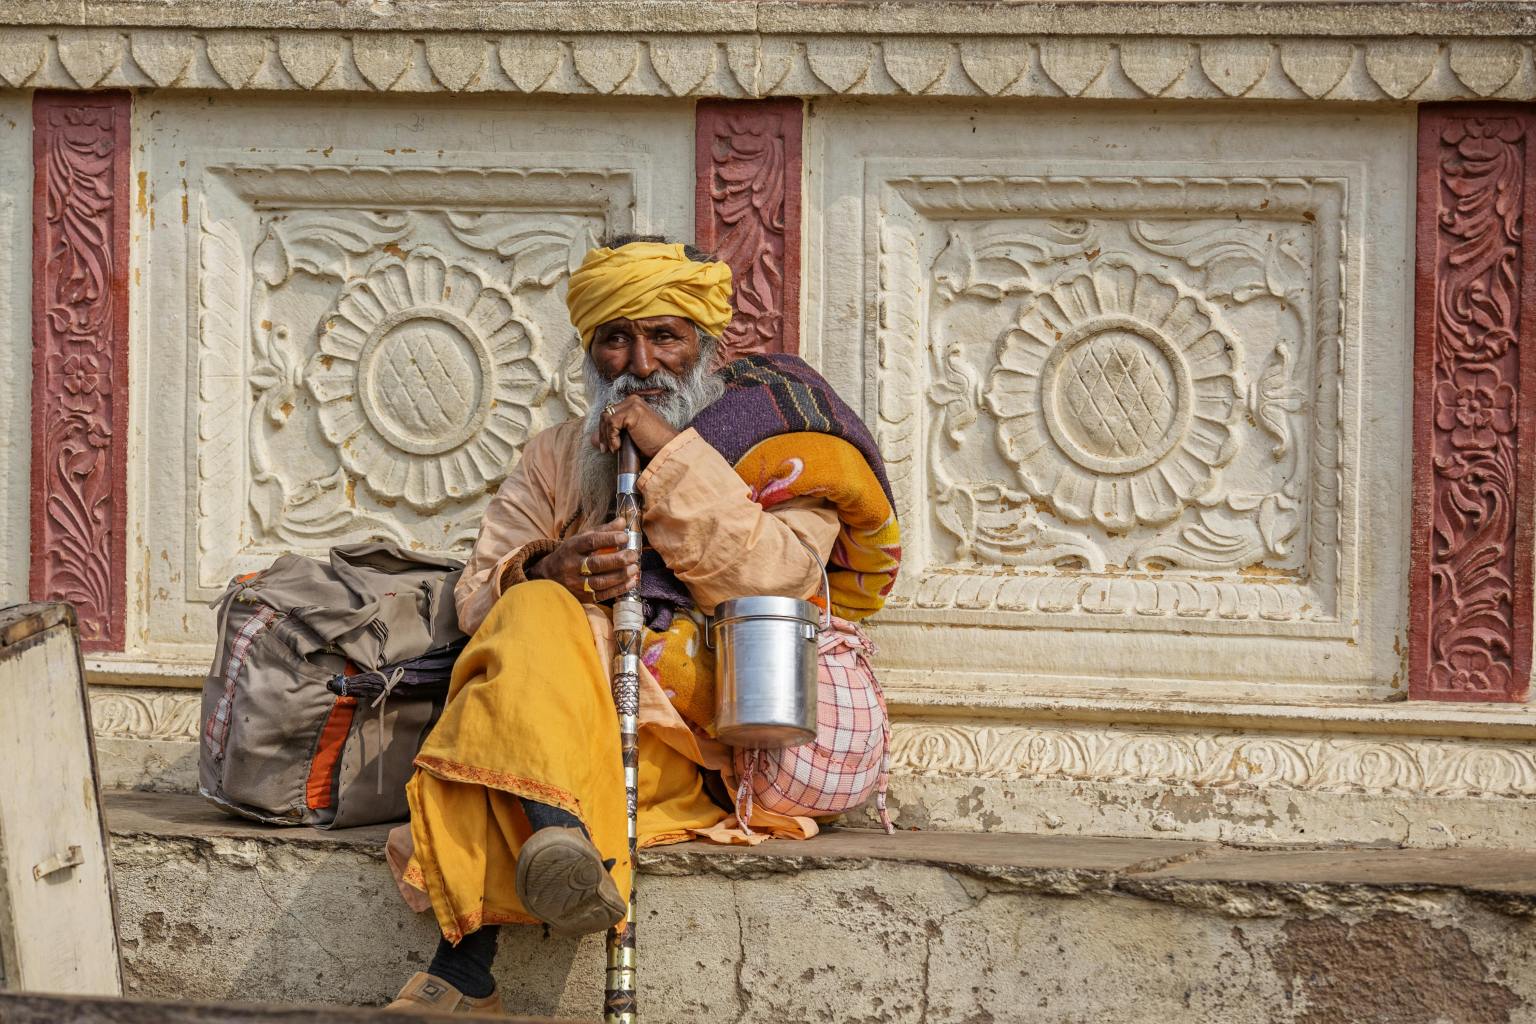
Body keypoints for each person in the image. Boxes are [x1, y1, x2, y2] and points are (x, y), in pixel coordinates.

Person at [385, 237, 901, 1014]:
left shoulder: (778, 445)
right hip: (565, 722)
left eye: (666, 336)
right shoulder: (557, 454)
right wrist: (546, 567)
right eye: (615, 339)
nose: (641, 363)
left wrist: (670, 457)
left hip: (680, 743)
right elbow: (477, 595)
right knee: (529, 607)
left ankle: (467, 968)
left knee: (487, 732)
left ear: (706, 344)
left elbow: (779, 577)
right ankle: (556, 839)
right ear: (590, 353)